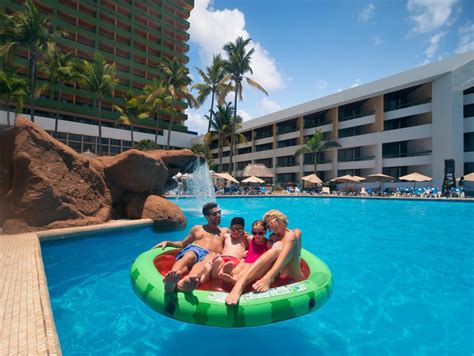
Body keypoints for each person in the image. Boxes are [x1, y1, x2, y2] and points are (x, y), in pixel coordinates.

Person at [225, 210, 304, 305]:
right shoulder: (274, 237)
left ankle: (242, 282)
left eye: (269, 224)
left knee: (278, 246)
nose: (268, 227)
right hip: (279, 274)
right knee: (275, 248)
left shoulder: (292, 234)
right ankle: (240, 283)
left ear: (278, 220)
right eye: (267, 225)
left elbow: (285, 257)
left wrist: (268, 278)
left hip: (293, 278)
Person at [152, 202, 226, 293]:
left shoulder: (225, 231)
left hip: (211, 255)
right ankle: (172, 277)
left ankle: (188, 280)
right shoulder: (198, 228)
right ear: (207, 216)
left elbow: (237, 241)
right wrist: (168, 242)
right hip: (196, 249)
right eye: (215, 214)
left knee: (207, 260)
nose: (218, 215)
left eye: (219, 212)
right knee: (190, 255)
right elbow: (183, 244)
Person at [221, 220, 272, 285]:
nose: (257, 235)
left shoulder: (268, 243)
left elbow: (273, 256)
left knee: (247, 267)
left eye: (260, 233)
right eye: (254, 233)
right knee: (239, 266)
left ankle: (236, 279)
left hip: (256, 266)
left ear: (265, 232)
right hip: (246, 262)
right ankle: (230, 274)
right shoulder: (251, 239)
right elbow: (241, 234)